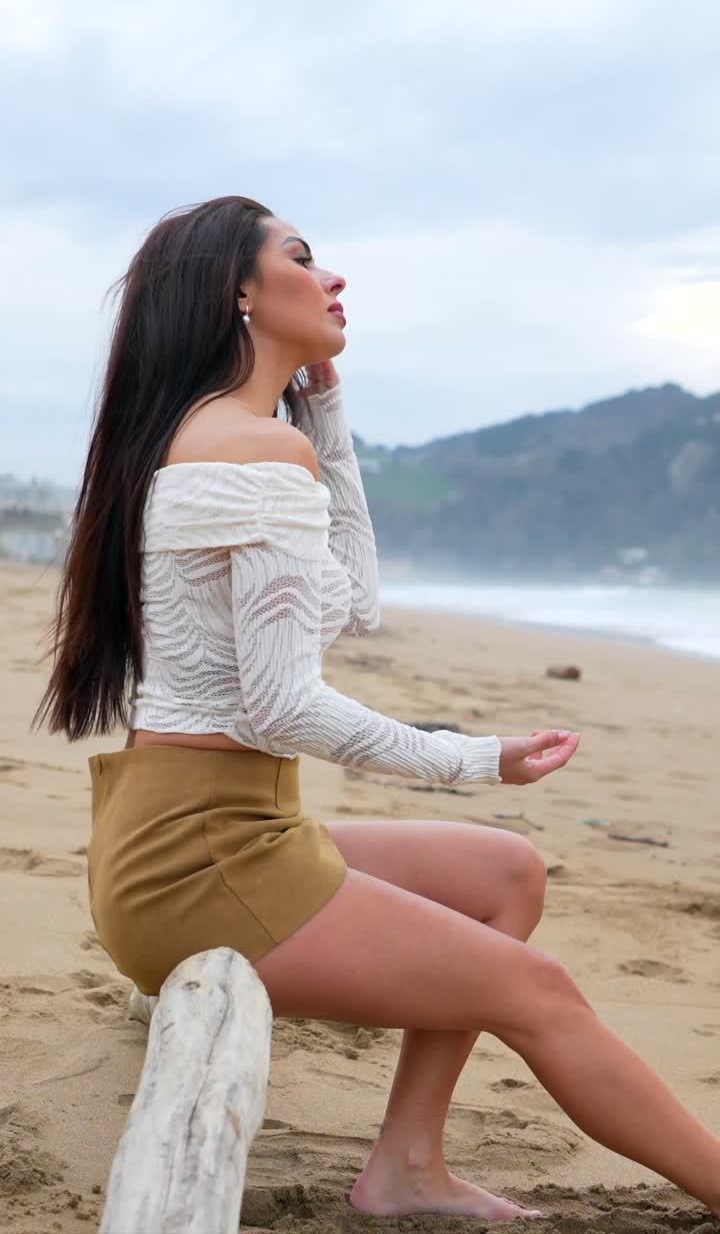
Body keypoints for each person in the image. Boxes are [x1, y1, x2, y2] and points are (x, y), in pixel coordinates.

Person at [34, 196, 720, 1223]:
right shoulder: (248, 451)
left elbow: (352, 603)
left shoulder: (238, 439)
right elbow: (281, 701)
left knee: (506, 871)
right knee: (539, 991)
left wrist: (328, 415)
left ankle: (406, 1165)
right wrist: (477, 757)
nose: (334, 277)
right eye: (303, 257)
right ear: (241, 293)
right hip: (202, 858)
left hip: (209, 828)